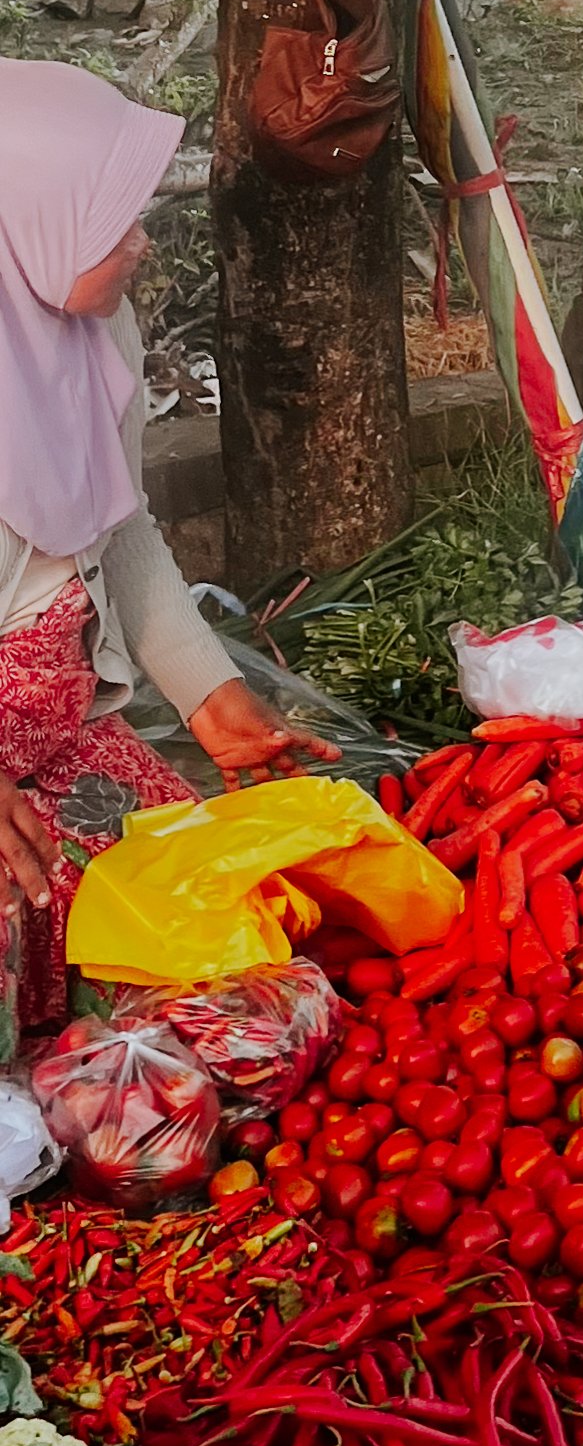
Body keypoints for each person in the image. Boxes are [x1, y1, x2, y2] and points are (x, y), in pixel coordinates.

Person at [0, 59, 338, 1029]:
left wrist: (211, 695)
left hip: (58, 734)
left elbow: (122, 520)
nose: (145, 245)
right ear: (34, 220)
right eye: (118, 223)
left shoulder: (97, 333)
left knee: (222, 938)